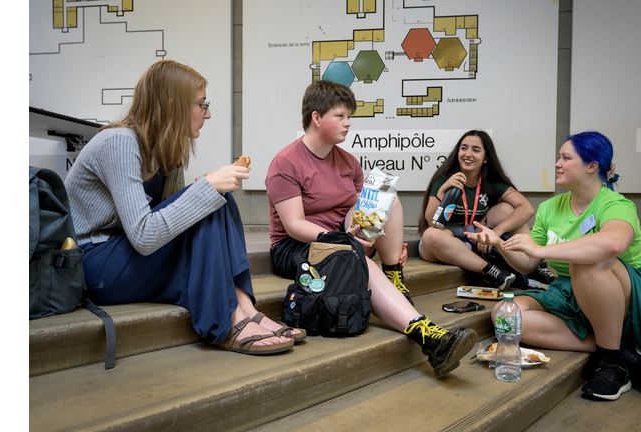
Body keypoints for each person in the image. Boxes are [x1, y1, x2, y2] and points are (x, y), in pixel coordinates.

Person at [64, 60, 304, 356]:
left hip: (126, 255)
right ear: (172, 103)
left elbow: (181, 226)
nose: (208, 113)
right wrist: (204, 190)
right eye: (202, 105)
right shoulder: (120, 142)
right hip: (93, 264)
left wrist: (204, 192)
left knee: (217, 199)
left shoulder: (166, 152)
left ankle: (243, 307)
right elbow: (145, 236)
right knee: (209, 196)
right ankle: (227, 320)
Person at [265, 79, 477, 378]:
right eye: (340, 116)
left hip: (340, 238)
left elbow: (362, 212)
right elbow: (295, 225)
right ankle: (430, 339)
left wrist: (373, 235)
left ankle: (394, 274)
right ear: (316, 117)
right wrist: (342, 241)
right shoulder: (286, 162)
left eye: (349, 116)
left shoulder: (348, 162)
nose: (348, 123)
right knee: (354, 260)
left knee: (384, 193)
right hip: (296, 246)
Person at [466, 131, 641, 400]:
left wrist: (541, 249)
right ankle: (618, 350)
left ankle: (612, 366)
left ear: (591, 166)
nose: (557, 164)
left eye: (565, 157)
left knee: (586, 263)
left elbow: (612, 244)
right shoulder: (551, 207)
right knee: (506, 316)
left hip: (626, 294)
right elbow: (527, 264)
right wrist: (499, 244)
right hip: (569, 291)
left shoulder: (616, 205)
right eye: (558, 158)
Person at [418, 130, 555, 290]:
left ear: (486, 158)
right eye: (464, 148)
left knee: (508, 209)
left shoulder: (490, 181)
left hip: (473, 237)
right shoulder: (445, 178)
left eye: (475, 150)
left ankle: (531, 264)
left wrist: (496, 232)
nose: (468, 154)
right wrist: (443, 190)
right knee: (431, 235)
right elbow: (431, 221)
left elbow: (527, 209)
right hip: (443, 242)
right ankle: (491, 271)